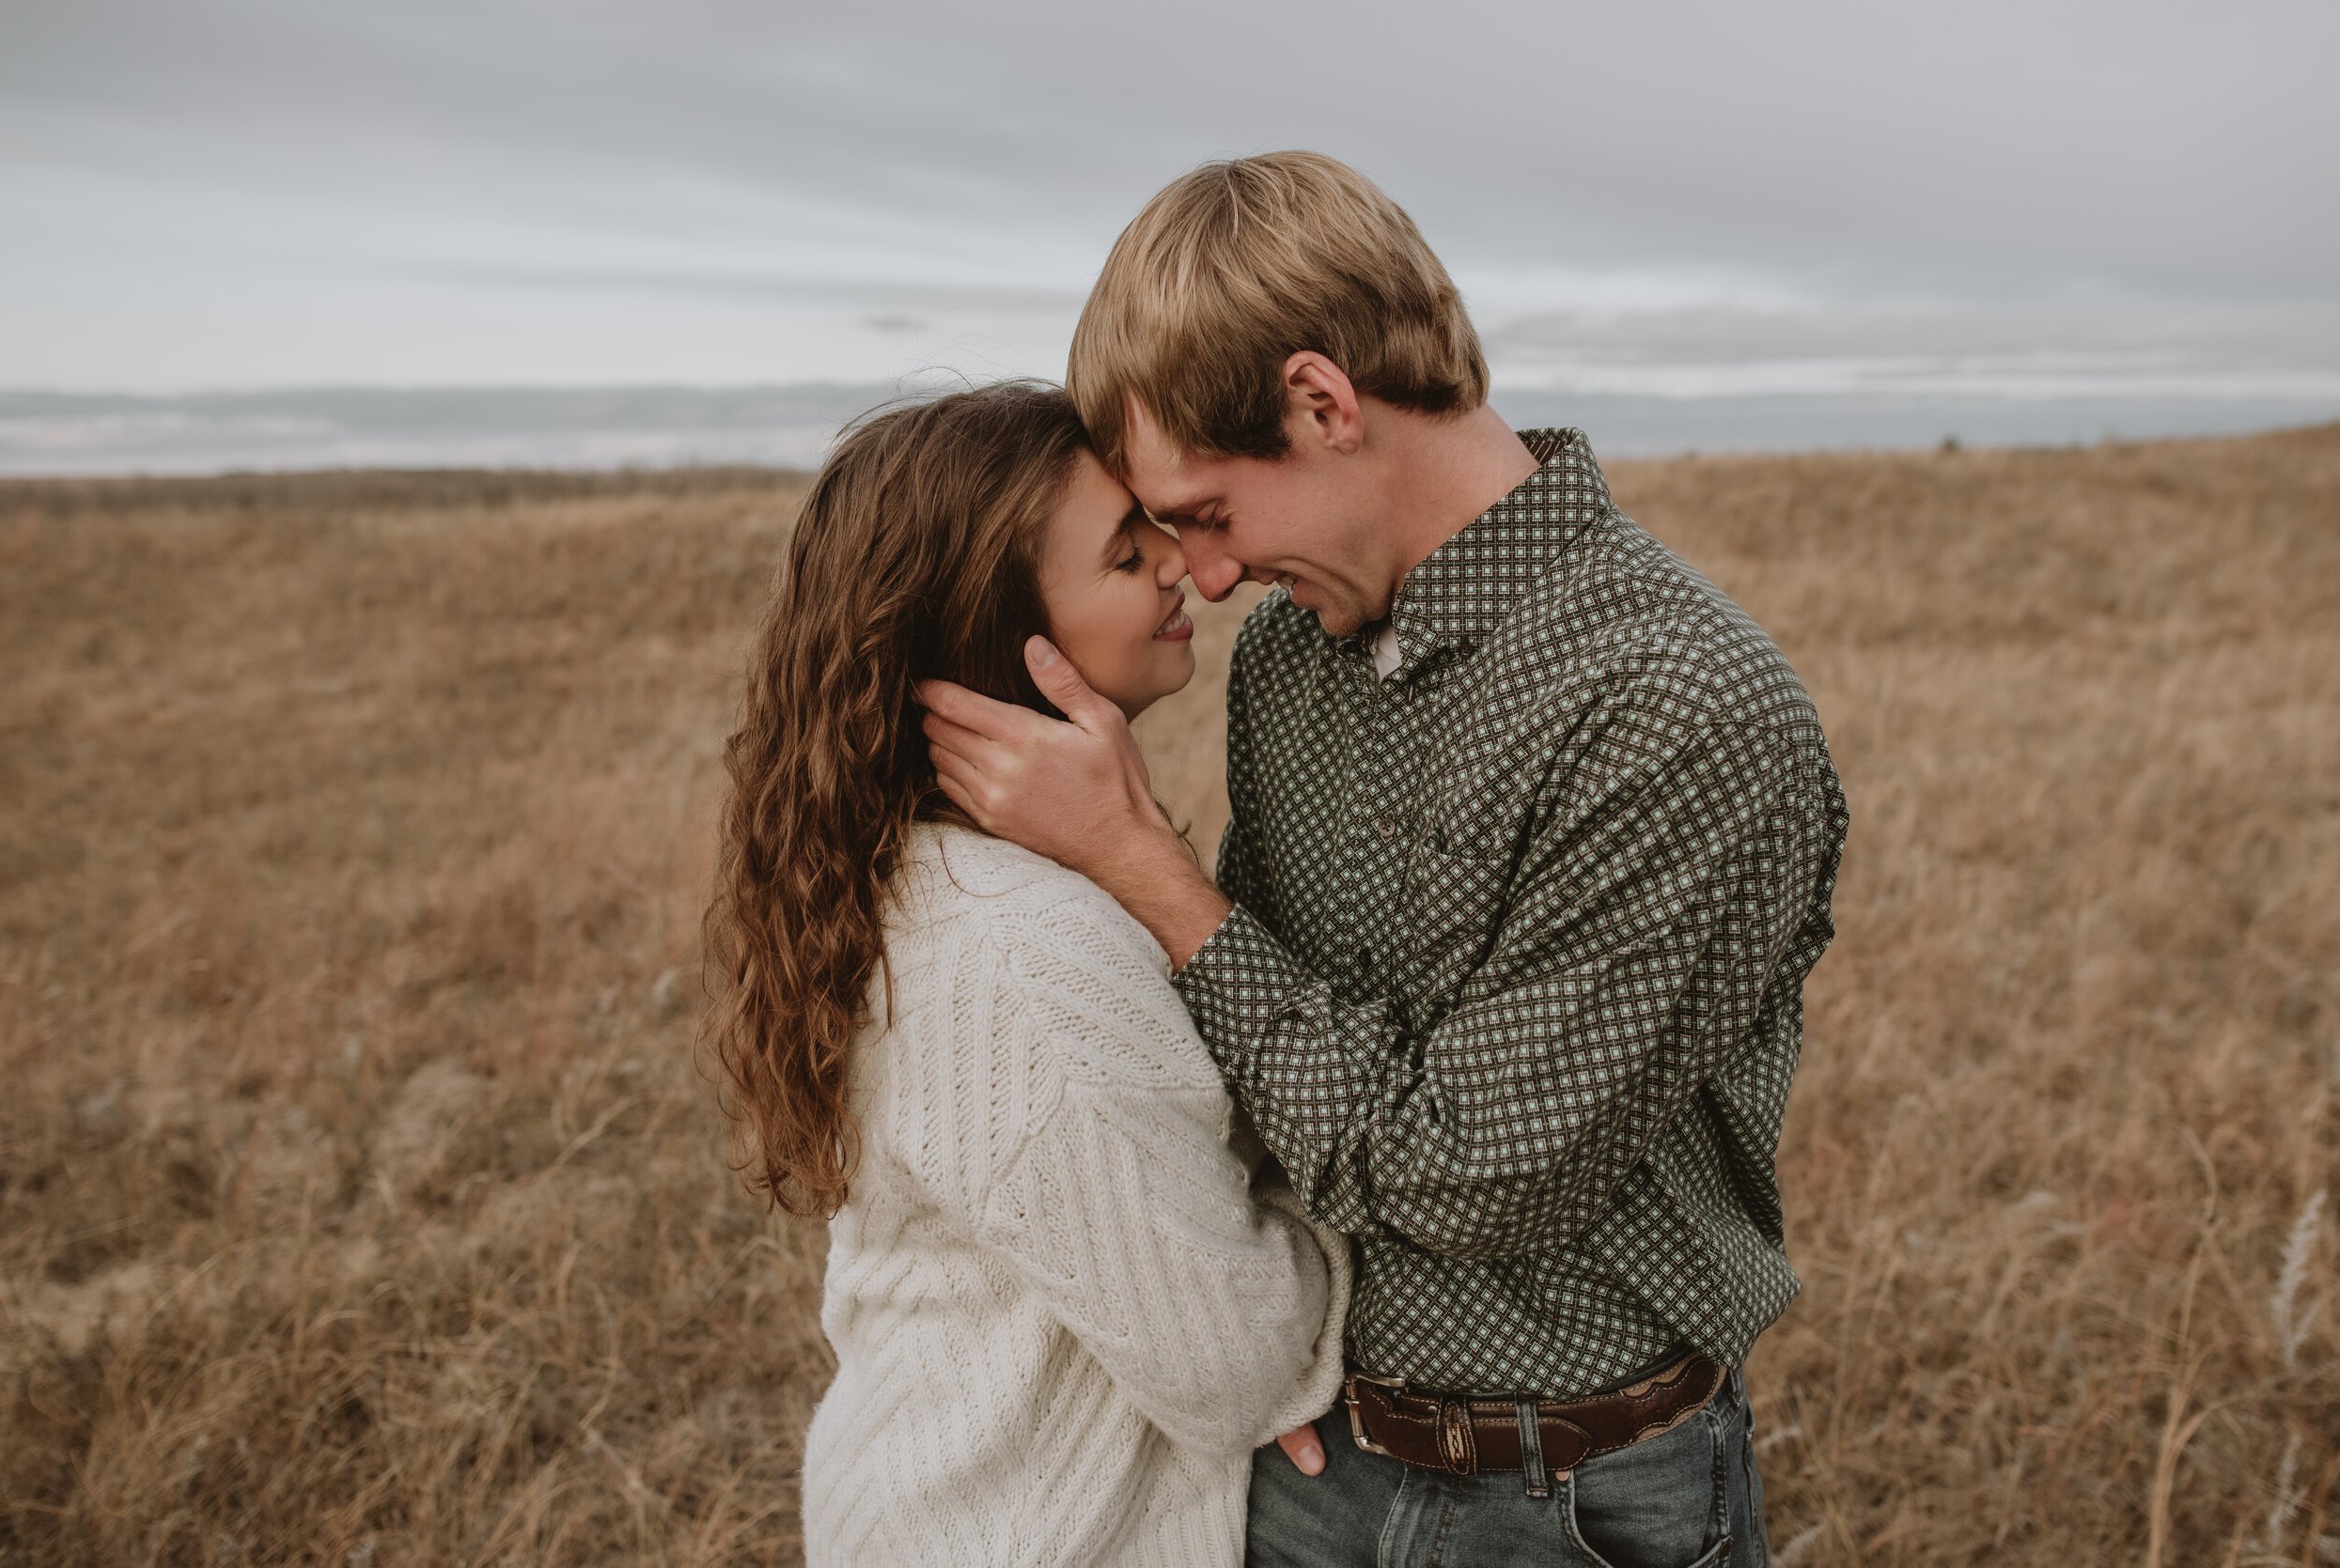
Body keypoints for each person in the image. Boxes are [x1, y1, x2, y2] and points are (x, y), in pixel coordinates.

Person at [914, 152, 1851, 1565]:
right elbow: (1245, 1054)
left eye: (1212, 515)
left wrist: (1145, 868)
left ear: (1322, 403)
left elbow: (1469, 1175)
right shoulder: (1295, 654)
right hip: (1303, 1468)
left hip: (1578, 1501)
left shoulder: (1681, 708)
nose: (1209, 581)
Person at [702, 381, 1350, 1566]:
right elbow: (1234, 1361)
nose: (1180, 566)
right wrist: (1343, 1230)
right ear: (1009, 636)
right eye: (1123, 551)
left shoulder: (941, 880)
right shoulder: (1021, 948)